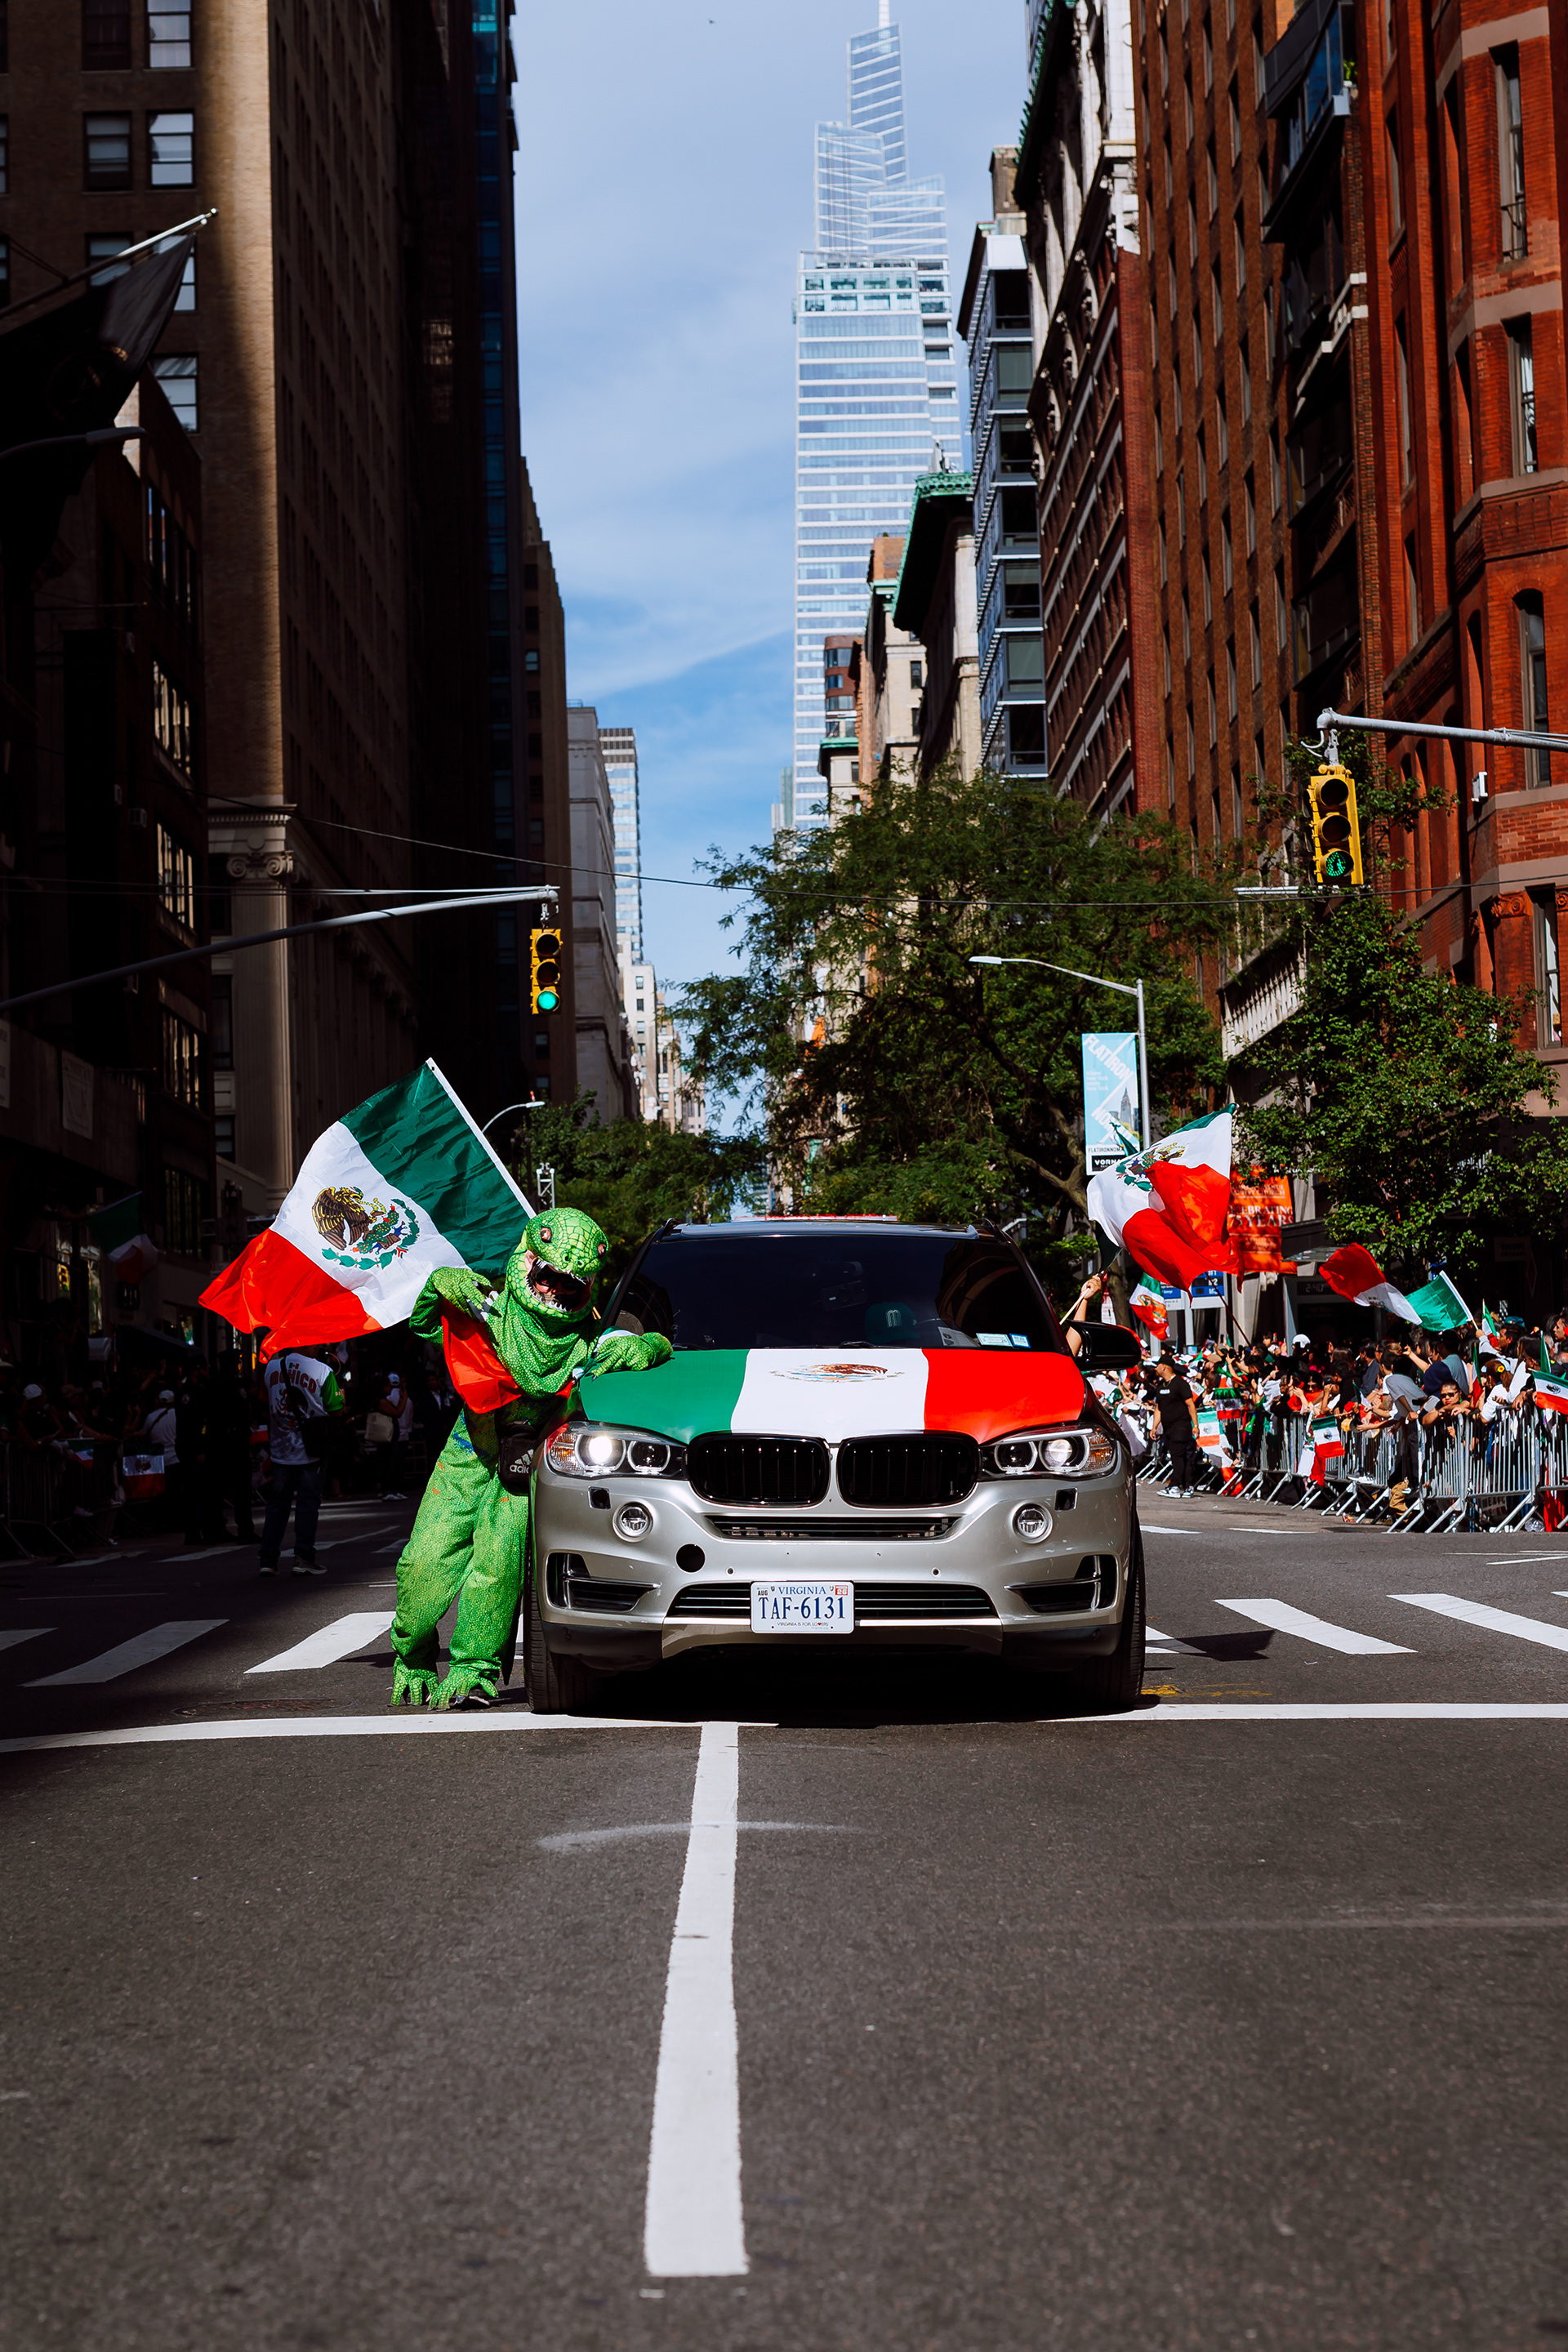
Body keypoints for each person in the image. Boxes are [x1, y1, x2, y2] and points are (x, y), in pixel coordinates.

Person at [389, 1207, 672, 1709]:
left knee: (498, 1569)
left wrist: (643, 1347)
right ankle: (412, 1656)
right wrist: (439, 1285)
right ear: (527, 1261)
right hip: (467, 1454)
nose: (555, 1290)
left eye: (571, 1284)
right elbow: (424, 1323)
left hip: (523, 1470)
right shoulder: (488, 1311)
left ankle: (474, 1670)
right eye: (547, 1276)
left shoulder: (592, 1343)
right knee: (423, 1563)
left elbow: (654, 1345)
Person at [258, 1348, 345, 1575]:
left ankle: (268, 1560)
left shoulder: (272, 1367)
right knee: (307, 1504)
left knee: (277, 1505)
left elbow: (263, 1401)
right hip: (311, 1450)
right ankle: (303, 1557)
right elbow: (336, 1410)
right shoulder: (323, 1371)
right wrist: (342, 1398)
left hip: (280, 1449)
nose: (317, 1346)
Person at [1152, 1354, 1199, 1495]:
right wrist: (1154, 1427)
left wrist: (1195, 1425)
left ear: (1164, 1367)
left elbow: (1190, 1405)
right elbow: (1158, 1409)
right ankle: (1187, 1486)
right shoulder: (1160, 1387)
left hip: (1181, 1426)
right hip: (1168, 1428)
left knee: (1178, 1456)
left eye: (1157, 1366)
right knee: (1179, 1457)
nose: (1155, 1369)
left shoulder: (1180, 1383)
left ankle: (1174, 1486)